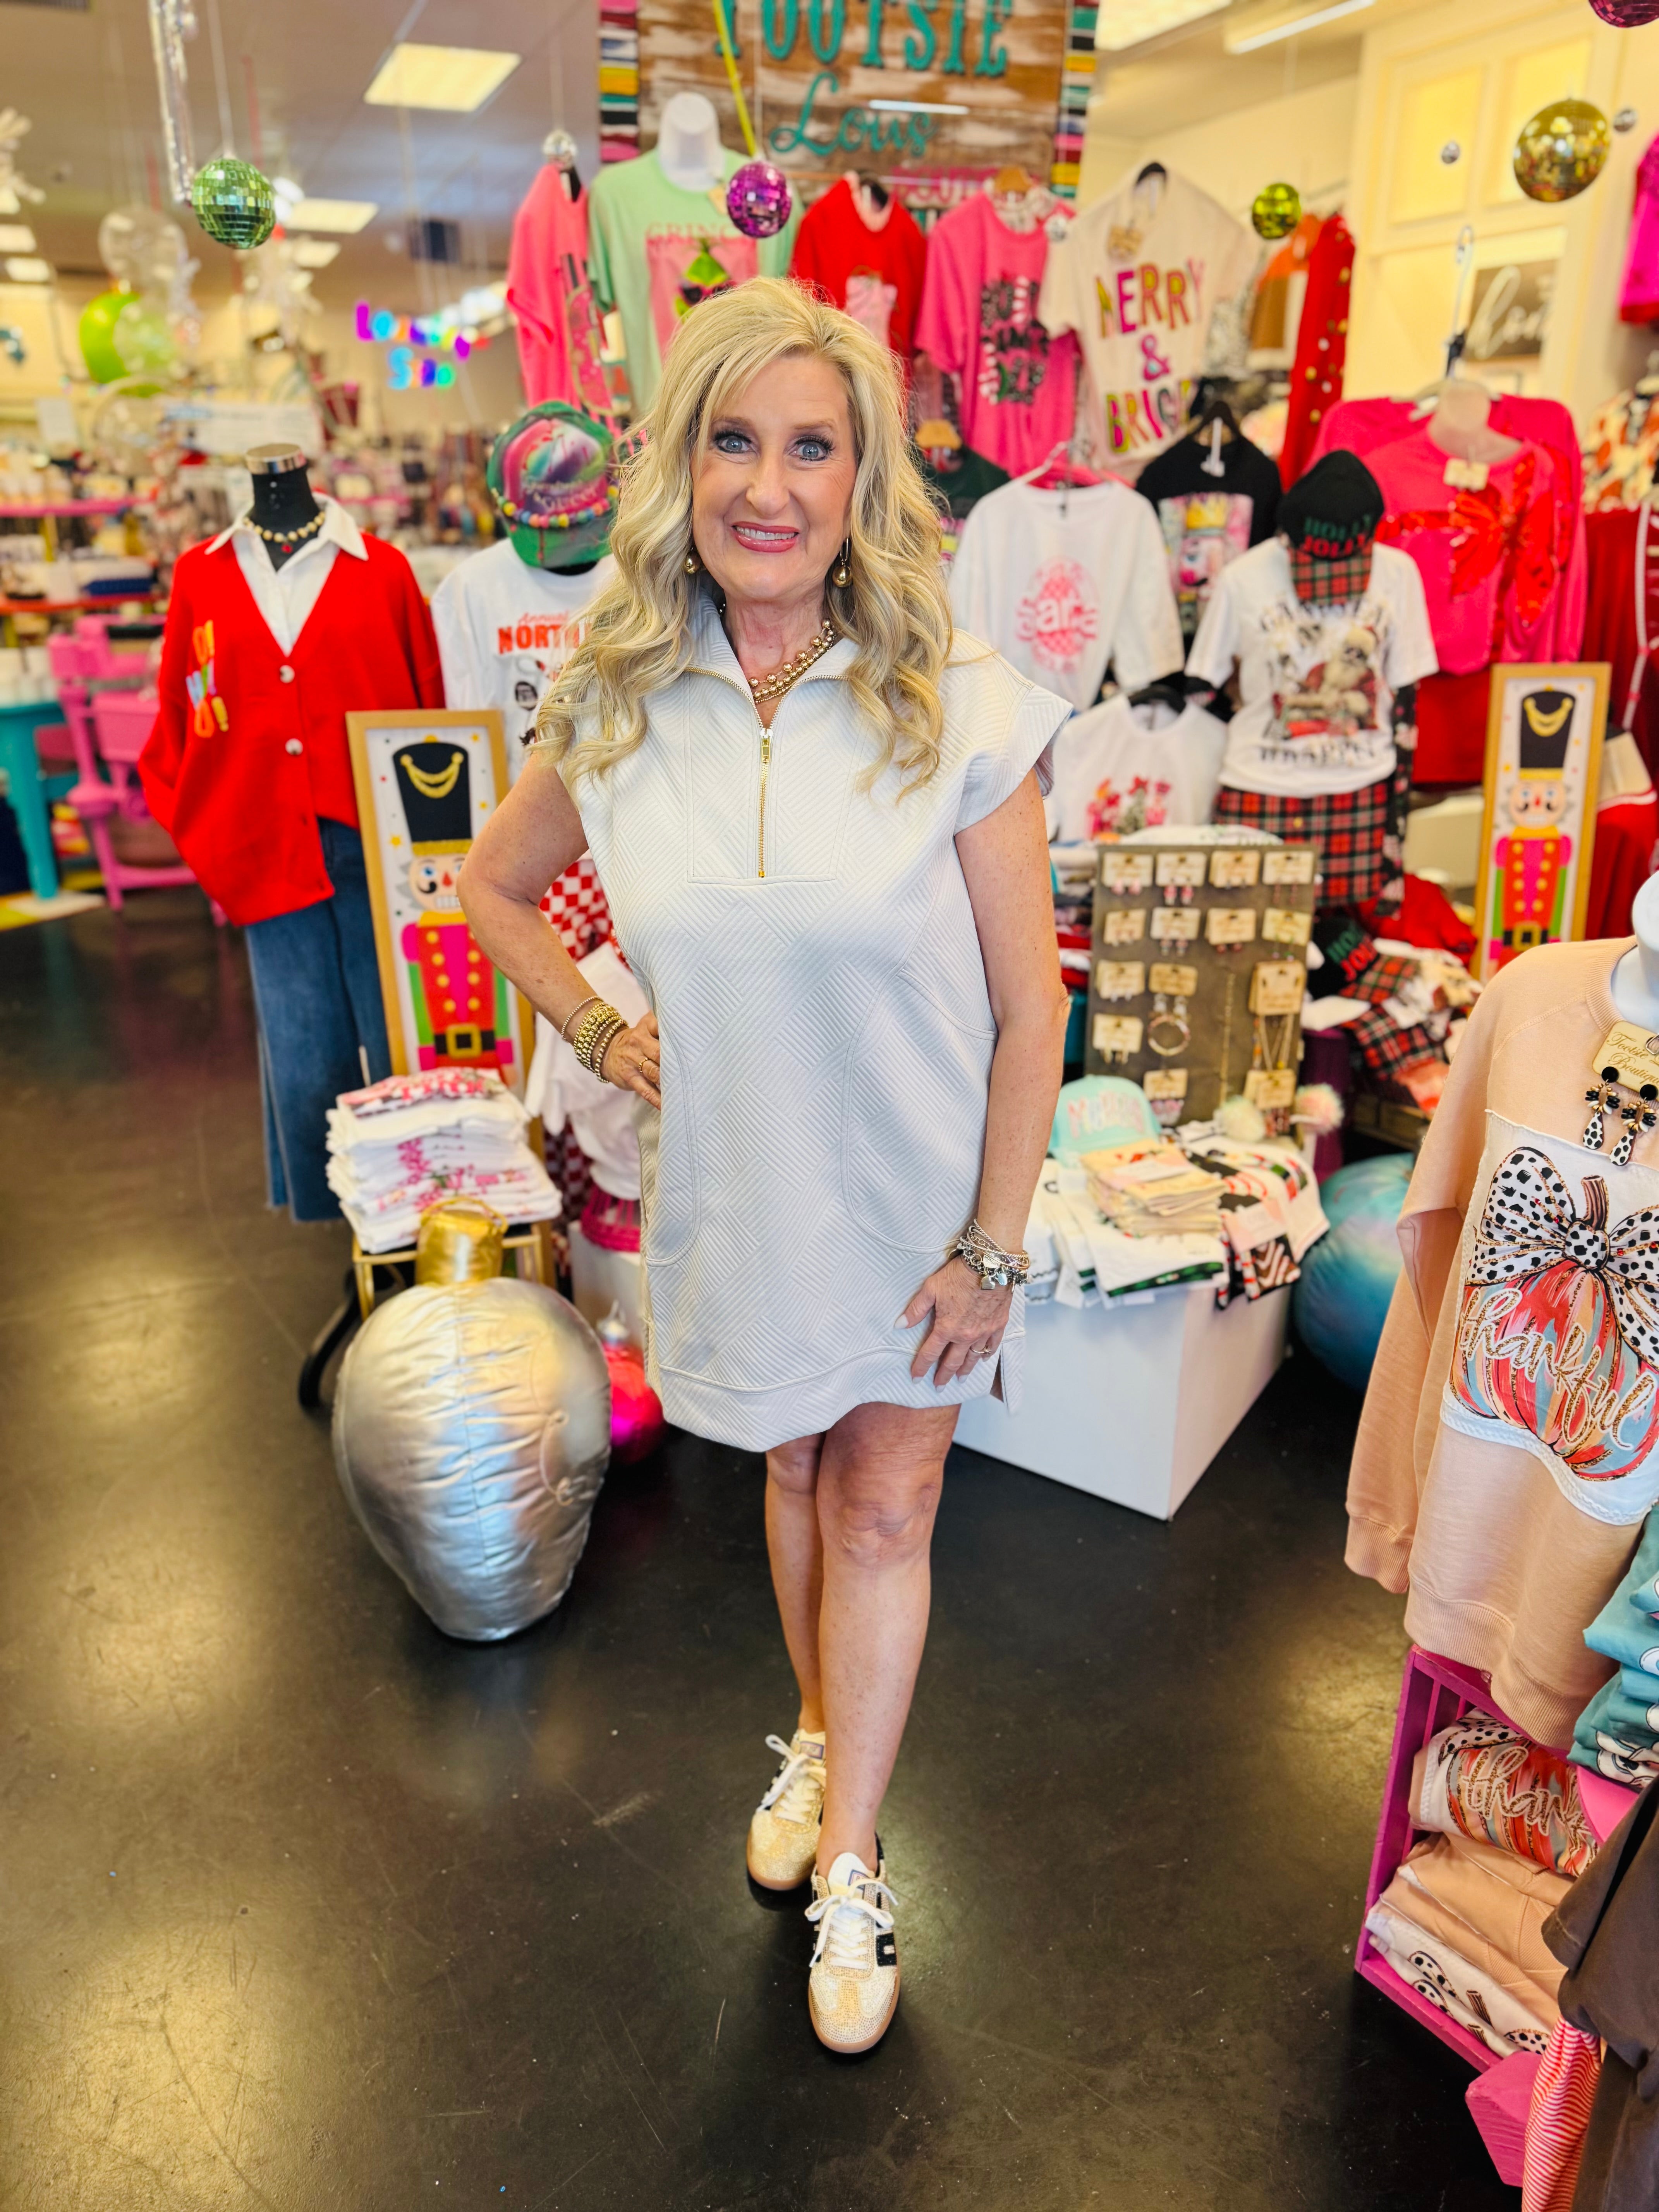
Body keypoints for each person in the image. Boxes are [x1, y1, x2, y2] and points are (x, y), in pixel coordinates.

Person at [459, 276, 1069, 2054]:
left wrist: (996, 1245)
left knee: (883, 1507)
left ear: (863, 476)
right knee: (797, 1477)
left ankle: (857, 1856)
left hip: (921, 1217)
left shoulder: (960, 699)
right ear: (681, 463)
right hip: (741, 1200)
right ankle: (816, 1733)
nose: (771, 486)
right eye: (735, 440)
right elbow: (495, 888)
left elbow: (1033, 1006)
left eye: (814, 447)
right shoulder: (618, 696)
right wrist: (600, 1030)